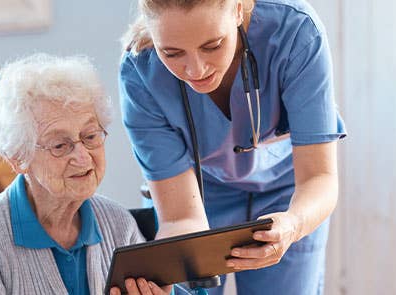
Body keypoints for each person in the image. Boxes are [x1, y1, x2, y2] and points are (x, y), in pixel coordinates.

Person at [119, 0, 346, 293]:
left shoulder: (295, 32)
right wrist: (177, 278)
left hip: (287, 194)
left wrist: (293, 224)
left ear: (239, 9)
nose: (195, 69)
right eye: (172, 53)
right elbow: (181, 218)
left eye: (212, 45)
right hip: (195, 195)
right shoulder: (140, 73)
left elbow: (320, 177)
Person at [0, 54, 172, 295]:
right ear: (18, 157)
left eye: (90, 136)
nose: (83, 157)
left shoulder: (118, 225)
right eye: (60, 145)